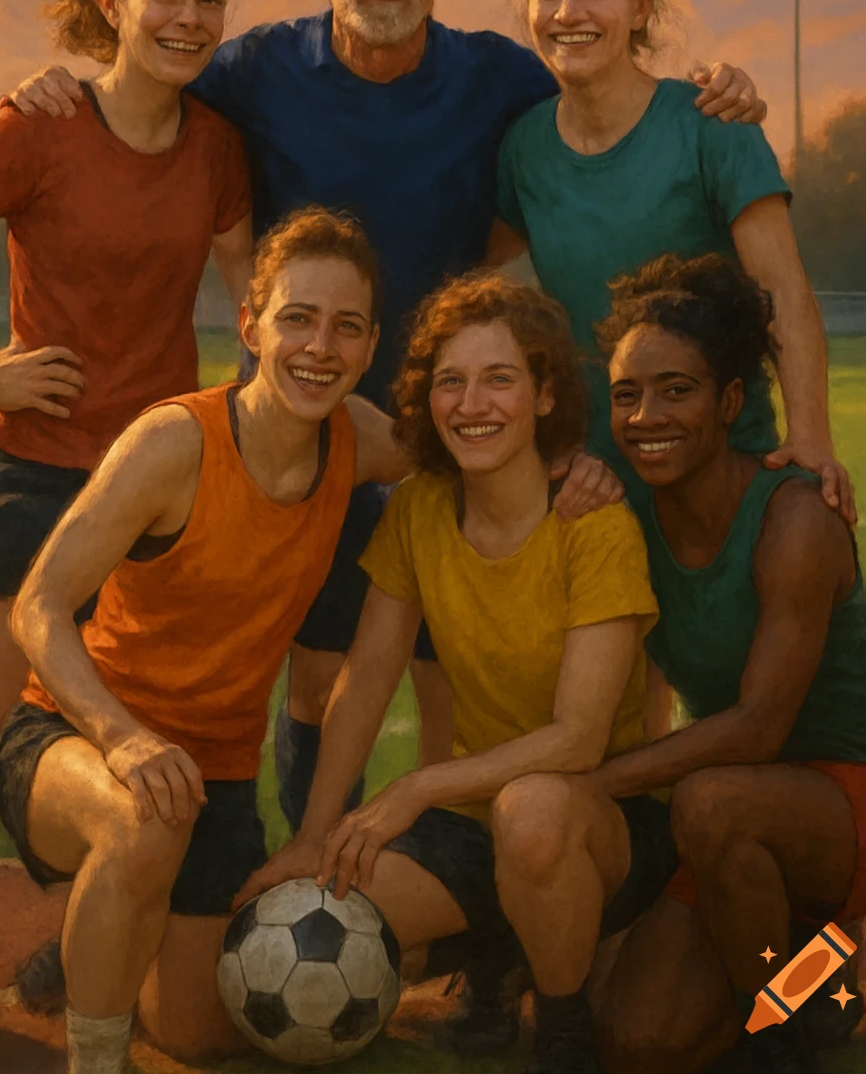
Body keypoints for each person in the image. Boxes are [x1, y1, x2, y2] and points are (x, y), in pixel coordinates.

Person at [5, 0, 765, 835]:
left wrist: (716, 88)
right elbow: (146, 82)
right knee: (320, 680)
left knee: (461, 687)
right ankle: (311, 883)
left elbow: (605, 74)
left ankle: (465, 915)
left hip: (459, 429)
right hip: (310, 432)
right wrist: (57, 85)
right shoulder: (256, 71)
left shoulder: (498, 76)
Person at [0, 0, 253, 1070]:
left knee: (147, 736)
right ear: (113, 0)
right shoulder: (38, 123)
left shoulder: (218, 147)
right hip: (28, 472)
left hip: (152, 488)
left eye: (208, 0)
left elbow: (252, 300)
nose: (188, 19)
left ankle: (66, 956)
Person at [0, 207, 411, 1073]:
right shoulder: (174, 442)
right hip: (76, 742)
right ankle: (94, 1056)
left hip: (213, 774)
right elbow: (37, 604)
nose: (319, 347)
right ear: (251, 324)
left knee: (196, 1032)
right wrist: (123, 736)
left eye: (346, 327)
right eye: (297, 317)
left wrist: (577, 469)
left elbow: (476, 454)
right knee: (142, 823)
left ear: (371, 348)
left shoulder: (359, 441)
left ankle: (106, 930)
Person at [235, 272, 677, 1074]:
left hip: (595, 821)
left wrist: (414, 788)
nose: (473, 404)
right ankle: (500, 949)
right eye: (451, 382)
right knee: (314, 916)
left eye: (499, 379)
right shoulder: (420, 509)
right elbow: (366, 677)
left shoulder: (595, 524)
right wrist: (311, 837)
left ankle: (565, 1027)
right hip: (474, 819)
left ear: (544, 396)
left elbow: (578, 741)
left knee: (533, 814)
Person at [588, 254, 866, 1074]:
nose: (647, 414)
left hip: (855, 793)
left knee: (714, 802)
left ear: (730, 402)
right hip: (735, 810)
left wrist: (596, 777)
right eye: (627, 394)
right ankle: (819, 965)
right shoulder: (629, 520)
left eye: (677, 389)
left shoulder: (793, 515)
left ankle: (777, 1034)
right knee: (637, 1039)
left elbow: (760, 728)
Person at [489, 0, 854, 526]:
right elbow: (486, 288)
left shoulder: (714, 125)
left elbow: (785, 294)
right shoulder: (522, 149)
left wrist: (812, 439)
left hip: (723, 475)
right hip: (594, 489)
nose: (568, 10)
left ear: (640, 6)